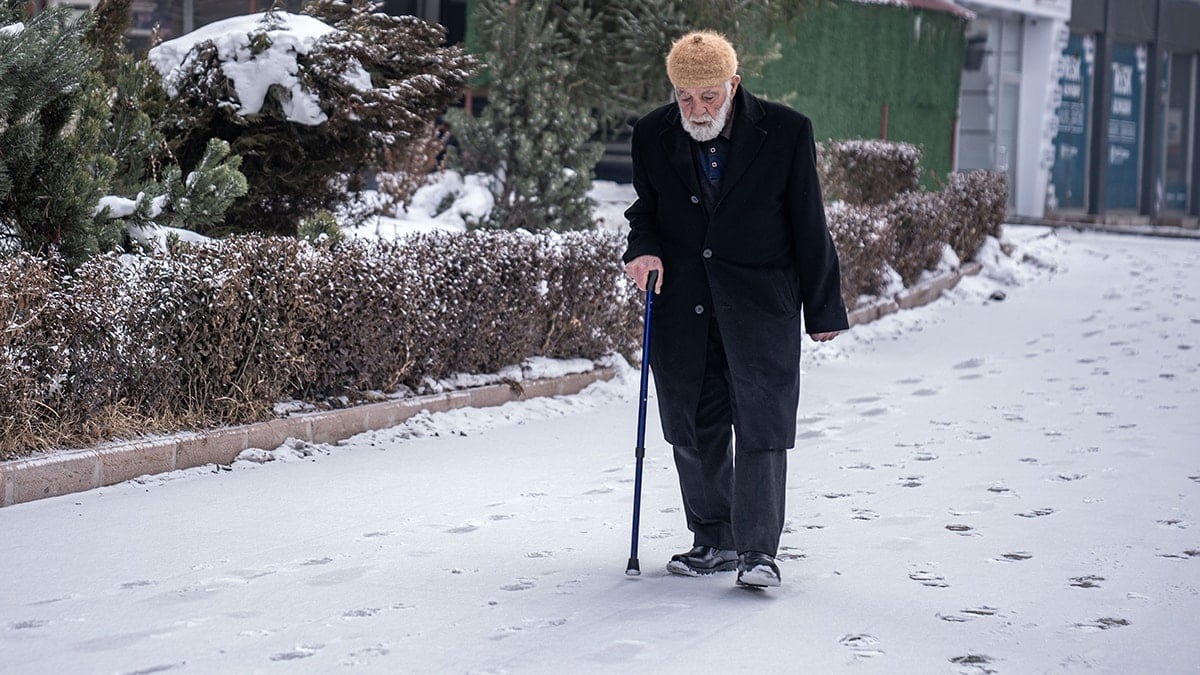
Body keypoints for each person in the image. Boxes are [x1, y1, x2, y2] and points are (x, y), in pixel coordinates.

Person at [622, 31, 848, 588]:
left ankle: (757, 553)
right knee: (691, 427)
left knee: (761, 429)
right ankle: (713, 539)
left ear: (734, 84)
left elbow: (807, 221)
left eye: (709, 97)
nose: (696, 110)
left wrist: (822, 309)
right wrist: (642, 248)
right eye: (685, 98)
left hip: (761, 305)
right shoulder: (653, 134)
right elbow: (644, 209)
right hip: (682, 306)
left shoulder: (787, 131)